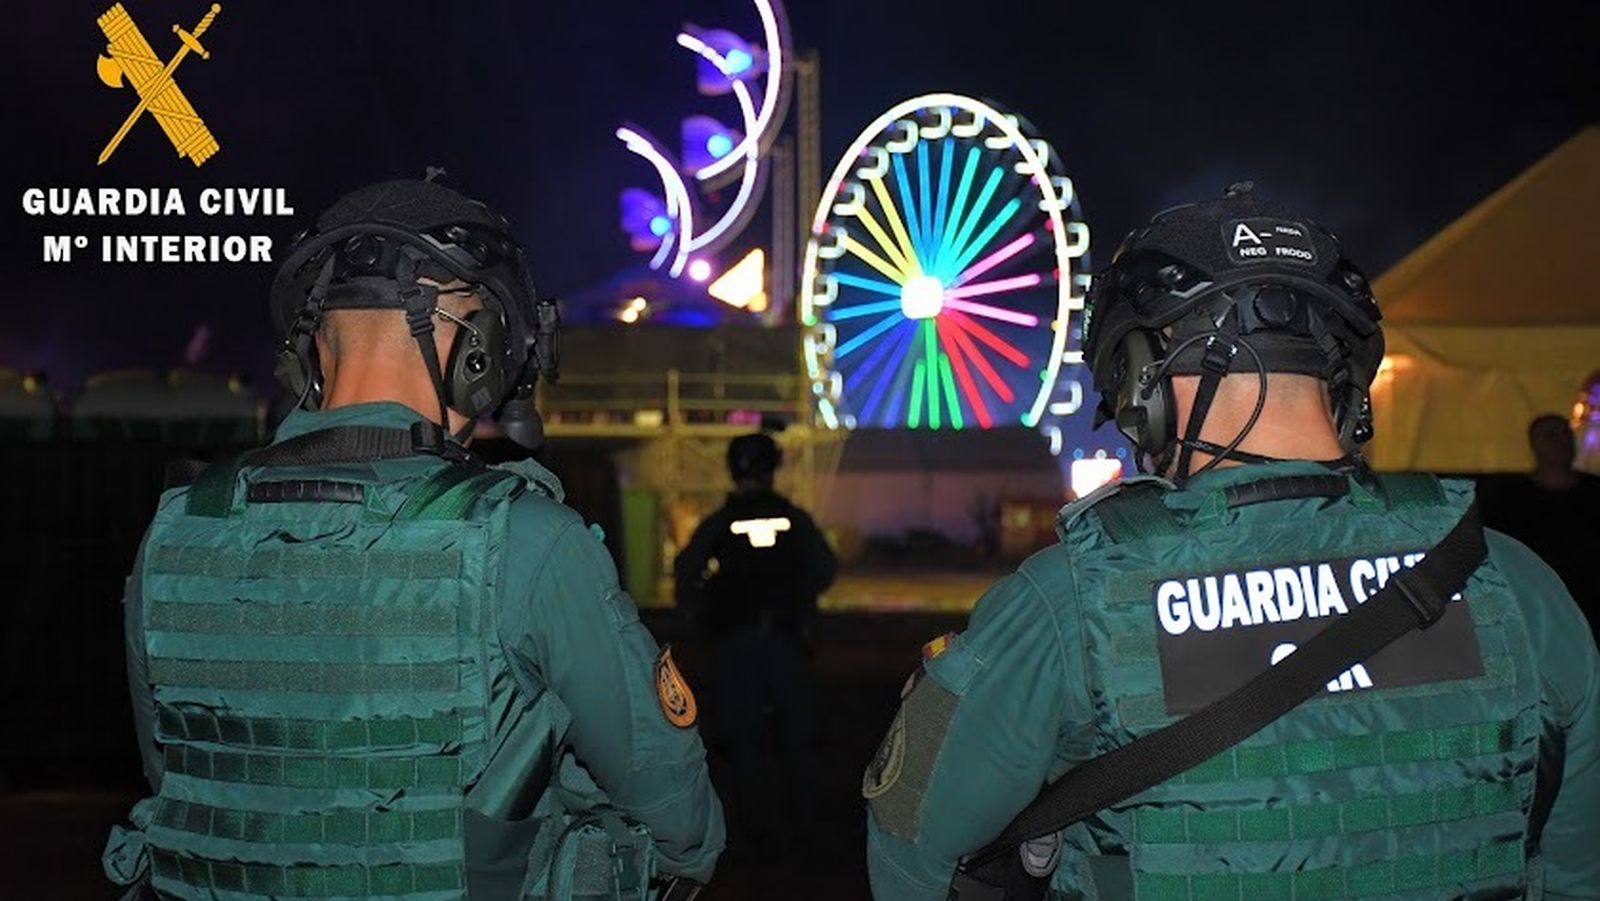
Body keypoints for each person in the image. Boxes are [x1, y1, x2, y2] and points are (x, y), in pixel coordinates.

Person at [863, 186, 1599, 900]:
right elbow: (1575, 871)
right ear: (1346, 379)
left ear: (1145, 385)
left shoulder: (1068, 602)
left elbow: (909, 853)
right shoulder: (1512, 581)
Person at [103, 179, 724, 899]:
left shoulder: (179, 529)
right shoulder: (525, 541)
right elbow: (682, 825)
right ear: (483, 354)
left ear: (309, 352)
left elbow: (181, 776)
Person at [674, 432, 836, 868]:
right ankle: (805, 835)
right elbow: (824, 569)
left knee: (743, 744)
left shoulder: (721, 522)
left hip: (736, 647)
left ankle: (754, 837)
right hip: (785, 643)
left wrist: (702, 606)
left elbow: (686, 569)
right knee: (798, 743)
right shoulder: (793, 520)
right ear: (772, 468)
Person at [1481, 414, 1600, 639]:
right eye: (1550, 436)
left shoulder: (1594, 494)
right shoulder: (1508, 499)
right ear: (1533, 445)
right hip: (1538, 613)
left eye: (1564, 435)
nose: (1559, 442)